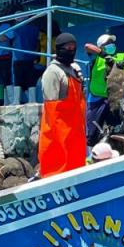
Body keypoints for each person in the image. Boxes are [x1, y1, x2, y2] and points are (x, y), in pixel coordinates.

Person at [38, 33, 87, 177]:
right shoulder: (52, 72)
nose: (71, 51)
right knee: (58, 167)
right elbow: (51, 109)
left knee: (77, 165)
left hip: (76, 131)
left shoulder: (74, 70)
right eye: (68, 48)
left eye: (73, 48)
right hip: (59, 134)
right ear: (59, 49)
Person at [84, 33, 124, 146]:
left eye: (112, 42)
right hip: (97, 99)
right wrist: (103, 55)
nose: (111, 45)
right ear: (101, 46)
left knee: (117, 130)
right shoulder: (96, 57)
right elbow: (87, 46)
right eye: (108, 43)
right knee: (92, 133)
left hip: (115, 99)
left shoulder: (122, 55)